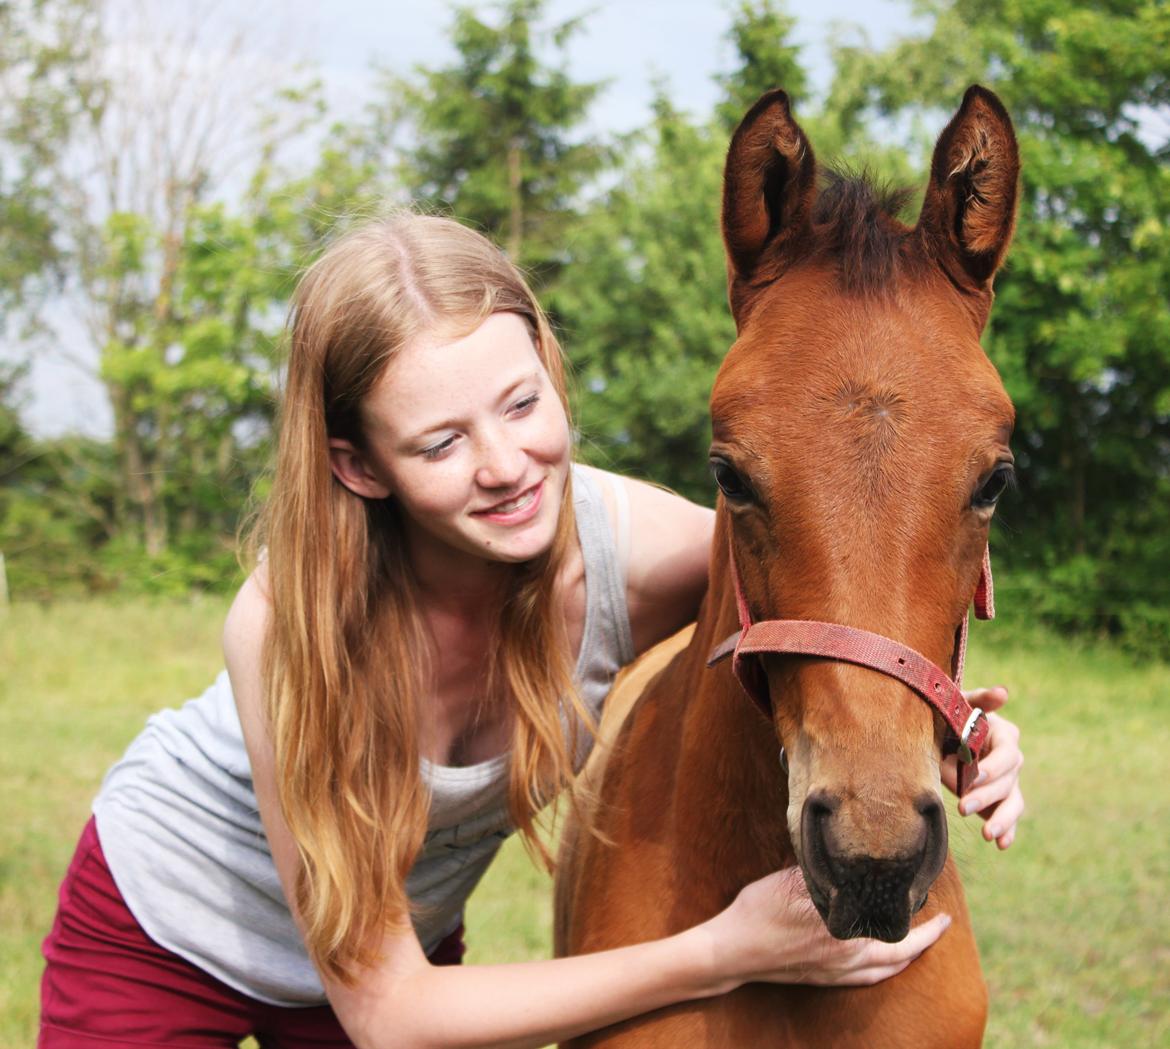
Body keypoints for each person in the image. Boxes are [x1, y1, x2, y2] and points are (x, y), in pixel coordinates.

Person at [39, 213, 1026, 1049]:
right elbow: (385, 1011)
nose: (507, 464)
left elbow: (831, 588)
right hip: (171, 932)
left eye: (520, 402)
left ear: (552, 372)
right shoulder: (288, 627)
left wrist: (954, 731)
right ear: (357, 464)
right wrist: (728, 946)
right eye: (439, 439)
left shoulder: (638, 555)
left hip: (401, 939)